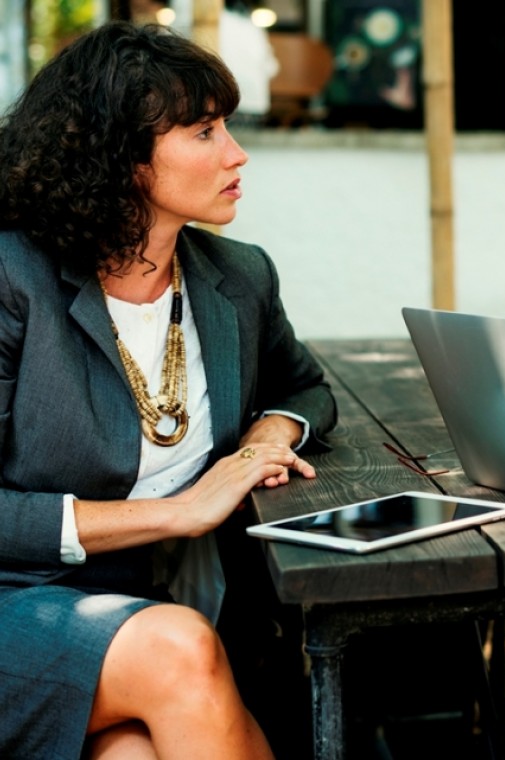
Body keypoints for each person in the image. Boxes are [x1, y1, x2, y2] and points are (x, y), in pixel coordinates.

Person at [0, 21, 336, 759]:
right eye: (205, 131)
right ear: (120, 156)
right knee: (180, 650)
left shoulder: (237, 275)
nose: (237, 154)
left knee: (135, 753)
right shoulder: (11, 278)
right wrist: (178, 511)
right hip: (17, 597)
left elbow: (306, 387)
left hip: (135, 608)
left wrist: (261, 444)